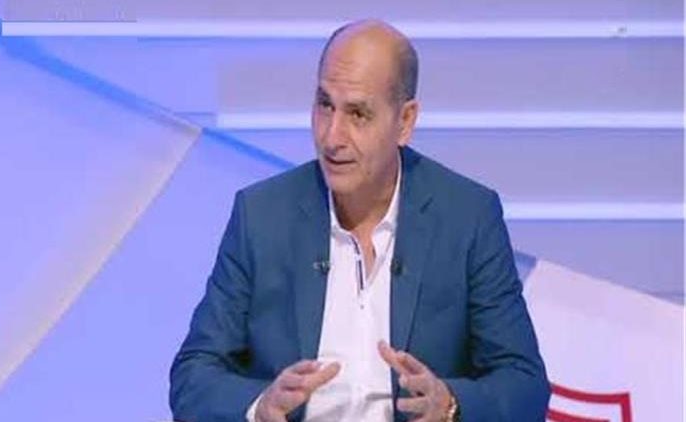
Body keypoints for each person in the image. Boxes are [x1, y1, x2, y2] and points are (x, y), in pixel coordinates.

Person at [170, 20, 550, 422]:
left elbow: (524, 385)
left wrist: (450, 404)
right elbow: (193, 377)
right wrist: (259, 406)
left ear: (405, 121)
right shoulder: (262, 215)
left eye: (358, 113)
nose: (331, 137)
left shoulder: (467, 217)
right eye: (325, 105)